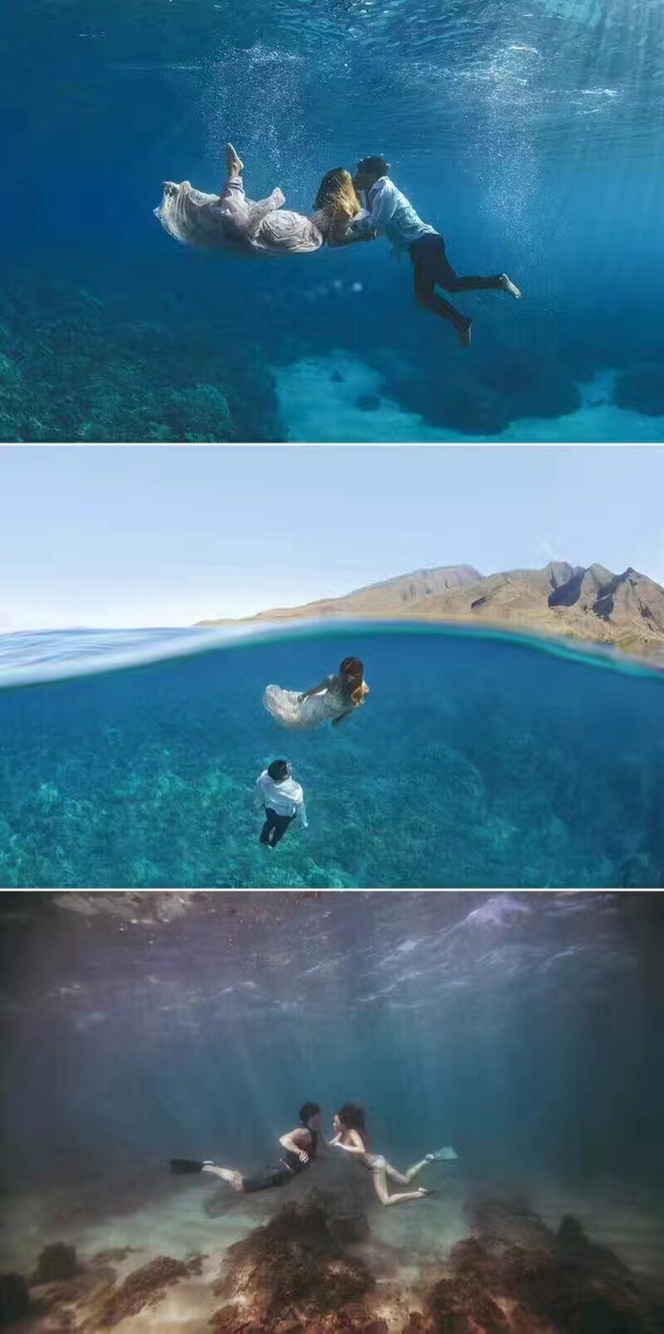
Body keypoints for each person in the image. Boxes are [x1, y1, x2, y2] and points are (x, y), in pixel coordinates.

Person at [349, 155, 521, 348]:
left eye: (360, 173)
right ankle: (462, 323)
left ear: (373, 174)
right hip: (418, 246)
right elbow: (370, 217)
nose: (356, 177)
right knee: (424, 297)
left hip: (427, 242)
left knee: (451, 285)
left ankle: (499, 282)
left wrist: (350, 224)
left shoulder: (385, 192)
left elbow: (375, 223)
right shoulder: (373, 191)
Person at [155, 144, 370, 257]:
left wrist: (364, 235)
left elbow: (335, 239)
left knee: (236, 223)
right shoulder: (340, 207)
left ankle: (230, 176)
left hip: (301, 232)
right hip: (297, 228)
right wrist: (363, 235)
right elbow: (337, 237)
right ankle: (233, 173)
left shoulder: (342, 208)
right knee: (238, 222)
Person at [170, 1103, 322, 1194]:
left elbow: (327, 1147)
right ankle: (207, 1167)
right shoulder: (303, 1132)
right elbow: (284, 1139)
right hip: (280, 1171)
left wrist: (336, 1136)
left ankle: (210, 1166)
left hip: (285, 1174)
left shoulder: (315, 1131)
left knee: (242, 1182)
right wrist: (299, 1151)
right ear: (312, 1116)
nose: (321, 1117)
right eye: (319, 1114)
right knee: (240, 1186)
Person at [330, 1103, 457, 1207]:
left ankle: (420, 1194)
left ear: (343, 1125)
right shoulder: (343, 1133)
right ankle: (427, 1159)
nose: (333, 1124)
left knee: (386, 1201)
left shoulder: (351, 1133)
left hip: (376, 1166)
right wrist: (335, 1143)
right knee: (405, 1181)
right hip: (378, 1159)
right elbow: (331, 1144)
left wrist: (342, 1146)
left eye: (335, 1122)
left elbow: (361, 1149)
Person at [263, 657, 370, 731]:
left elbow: (351, 707)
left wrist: (340, 718)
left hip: (324, 709)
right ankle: (276, 699)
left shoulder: (364, 691)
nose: (340, 677)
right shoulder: (332, 681)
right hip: (317, 709)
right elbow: (318, 689)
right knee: (290, 719)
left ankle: (284, 702)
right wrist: (305, 695)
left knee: (293, 712)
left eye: (341, 675)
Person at [255, 759, 308, 848]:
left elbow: (259, 793)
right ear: (285, 776)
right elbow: (300, 807)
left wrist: (259, 804)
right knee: (280, 831)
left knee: (268, 824)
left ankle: (263, 840)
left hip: (270, 810)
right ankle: (272, 845)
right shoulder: (296, 790)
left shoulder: (263, 779)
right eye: (287, 767)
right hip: (285, 816)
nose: (289, 765)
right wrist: (304, 821)